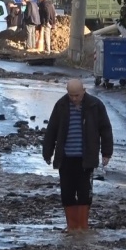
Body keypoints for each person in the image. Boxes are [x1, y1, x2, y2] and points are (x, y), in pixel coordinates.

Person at [42, 79, 113, 232]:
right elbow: (52, 130)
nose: (74, 98)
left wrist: (106, 153)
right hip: (66, 158)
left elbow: (105, 129)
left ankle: (83, 227)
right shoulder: (61, 105)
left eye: (77, 95)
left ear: (84, 91)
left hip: (86, 159)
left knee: (84, 194)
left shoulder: (95, 105)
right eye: (71, 95)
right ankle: (71, 227)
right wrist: (47, 153)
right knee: (67, 193)